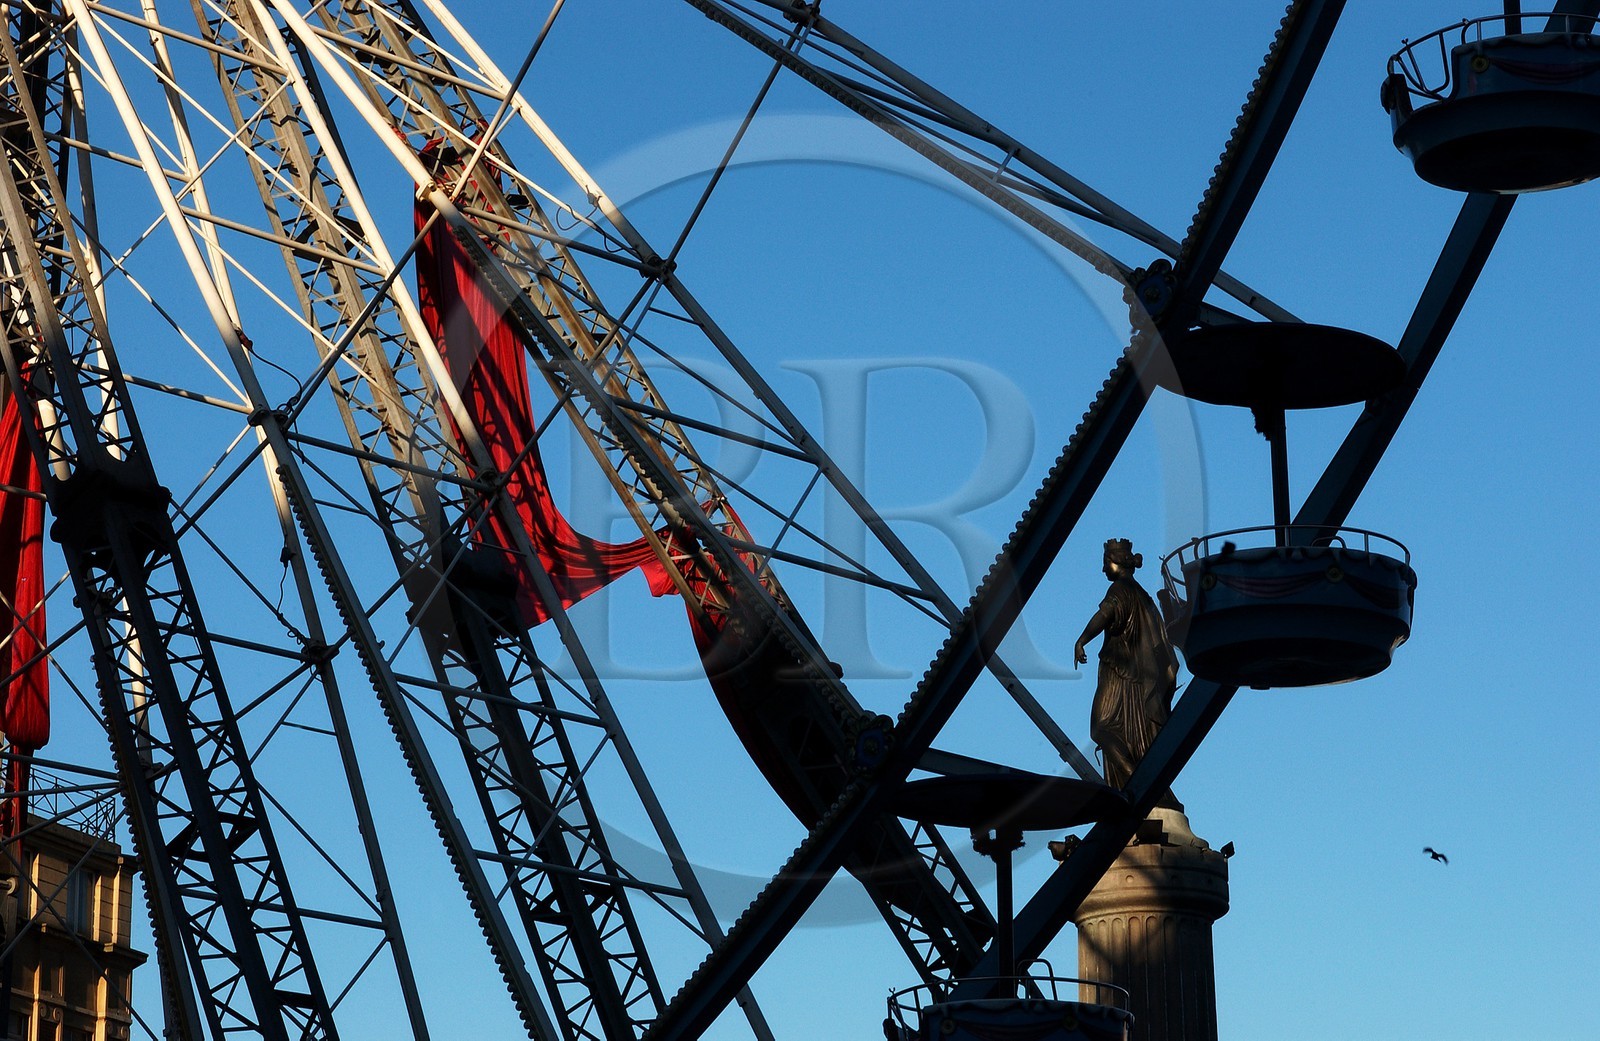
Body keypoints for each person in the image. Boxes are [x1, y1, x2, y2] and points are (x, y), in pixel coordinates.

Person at [1074, 538, 1182, 808]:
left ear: (1115, 562)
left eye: (1104, 563)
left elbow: (1105, 615)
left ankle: (1139, 785)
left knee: (1102, 728)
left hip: (1120, 675)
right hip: (1143, 683)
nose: (1103, 571)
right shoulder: (1144, 597)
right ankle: (1149, 788)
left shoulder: (1119, 590)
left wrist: (1082, 640)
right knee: (1138, 740)